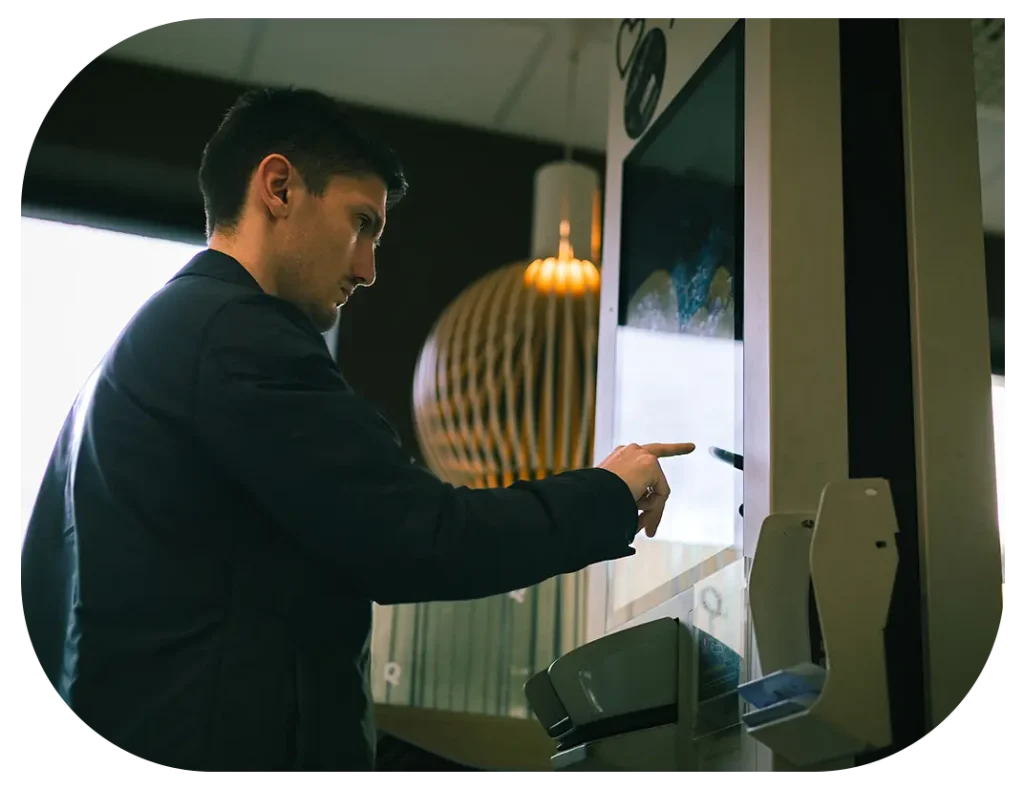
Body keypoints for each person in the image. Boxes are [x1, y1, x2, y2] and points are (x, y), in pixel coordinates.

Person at [18, 86, 696, 774]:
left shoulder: (136, 361)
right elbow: (417, 533)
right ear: (279, 187)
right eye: (362, 223)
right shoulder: (235, 334)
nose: (370, 268)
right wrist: (608, 491)